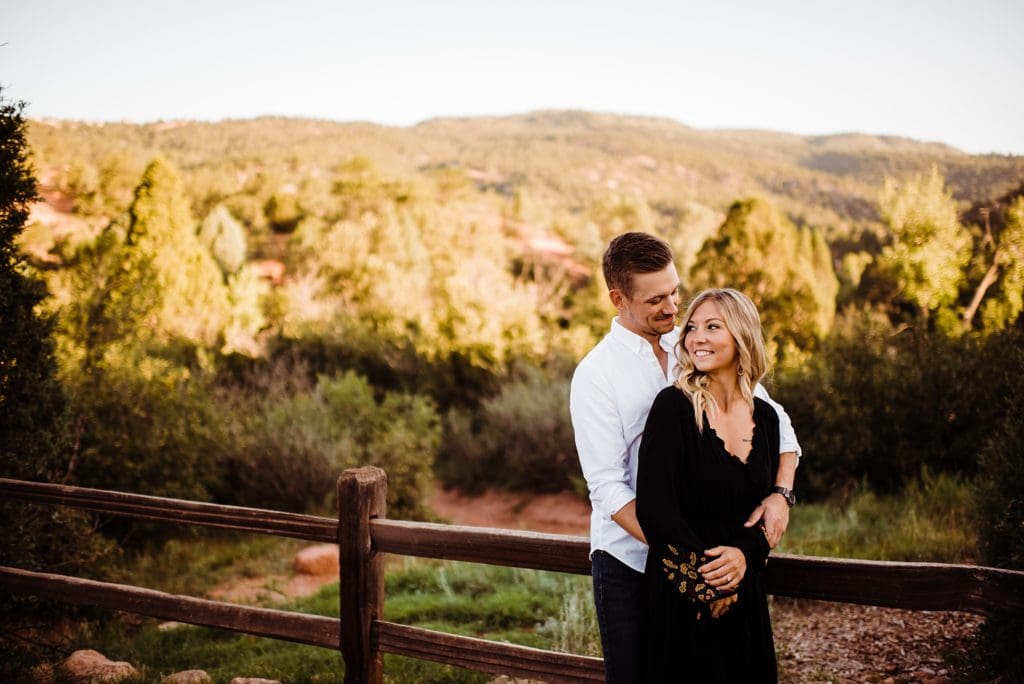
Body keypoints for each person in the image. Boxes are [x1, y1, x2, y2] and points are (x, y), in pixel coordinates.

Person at [570, 232, 799, 683]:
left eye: (675, 290)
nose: (673, 307)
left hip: (719, 558)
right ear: (618, 298)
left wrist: (780, 493)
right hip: (630, 564)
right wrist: (696, 572)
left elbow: (777, 424)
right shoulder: (596, 374)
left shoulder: (697, 344)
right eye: (656, 298)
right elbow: (608, 489)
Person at [635, 287, 782, 681]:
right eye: (692, 327)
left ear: (742, 335)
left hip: (745, 593)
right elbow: (655, 512)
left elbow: (764, 512)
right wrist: (711, 585)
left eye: (713, 326)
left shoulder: (767, 417)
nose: (696, 337)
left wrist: (744, 558)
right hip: (683, 597)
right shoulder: (673, 408)